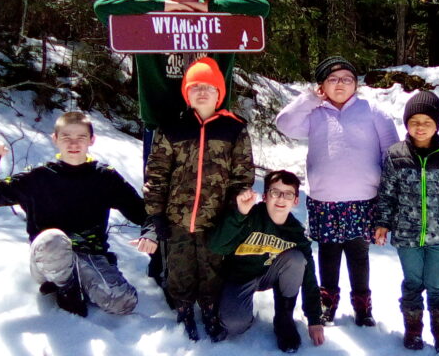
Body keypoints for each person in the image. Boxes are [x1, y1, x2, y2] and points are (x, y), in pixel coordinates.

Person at [0, 111, 158, 317]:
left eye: (81, 137)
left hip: (90, 256)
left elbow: (143, 213)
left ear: (92, 140)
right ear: (55, 140)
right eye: (66, 137)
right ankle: (66, 289)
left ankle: (83, 282)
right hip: (48, 258)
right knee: (54, 239)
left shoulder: (105, 177)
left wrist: (150, 232)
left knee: (124, 302)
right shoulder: (38, 176)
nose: (73, 144)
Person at [93, 0, 270, 165]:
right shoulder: (145, 21)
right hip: (161, 125)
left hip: (211, 124)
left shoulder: (222, 22)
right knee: (160, 193)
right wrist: (161, 6)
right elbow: (103, 7)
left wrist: (209, 7)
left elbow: (261, 7)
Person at [275, 56, 399, 327]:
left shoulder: (373, 111)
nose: (340, 83)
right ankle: (327, 303)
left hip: (362, 200)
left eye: (347, 79)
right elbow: (284, 124)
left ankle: (362, 305)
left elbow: (392, 157)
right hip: (325, 200)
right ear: (322, 85)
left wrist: (389, 203)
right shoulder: (315, 112)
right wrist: (310, 100)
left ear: (356, 84)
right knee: (328, 255)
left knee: (358, 256)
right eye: (332, 79)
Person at [144, 57, 254, 341]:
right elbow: (156, 174)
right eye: (195, 86)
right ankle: (183, 307)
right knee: (179, 267)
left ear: (219, 93)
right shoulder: (172, 127)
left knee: (213, 265)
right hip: (176, 217)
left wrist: (234, 213)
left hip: (215, 218)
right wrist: (156, 214)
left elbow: (242, 176)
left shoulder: (234, 129)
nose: (202, 92)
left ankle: (209, 306)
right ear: (186, 93)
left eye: (209, 86)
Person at [374, 91, 439, 352]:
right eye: (414, 121)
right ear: (406, 123)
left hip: (438, 236)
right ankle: (413, 329)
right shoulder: (396, 155)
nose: (420, 127)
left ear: (437, 124)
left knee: (436, 284)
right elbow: (387, 192)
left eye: (427, 121)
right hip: (406, 236)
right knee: (413, 283)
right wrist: (383, 222)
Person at [208, 170, 326, 353]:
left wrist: (314, 319)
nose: (281, 199)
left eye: (288, 194)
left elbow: (309, 275)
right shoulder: (249, 216)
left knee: (297, 259)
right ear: (265, 196)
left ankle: (284, 318)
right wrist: (239, 215)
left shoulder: (295, 232)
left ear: (295, 200)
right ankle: (232, 310)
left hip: (271, 274)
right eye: (275, 192)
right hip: (239, 278)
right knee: (235, 325)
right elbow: (216, 246)